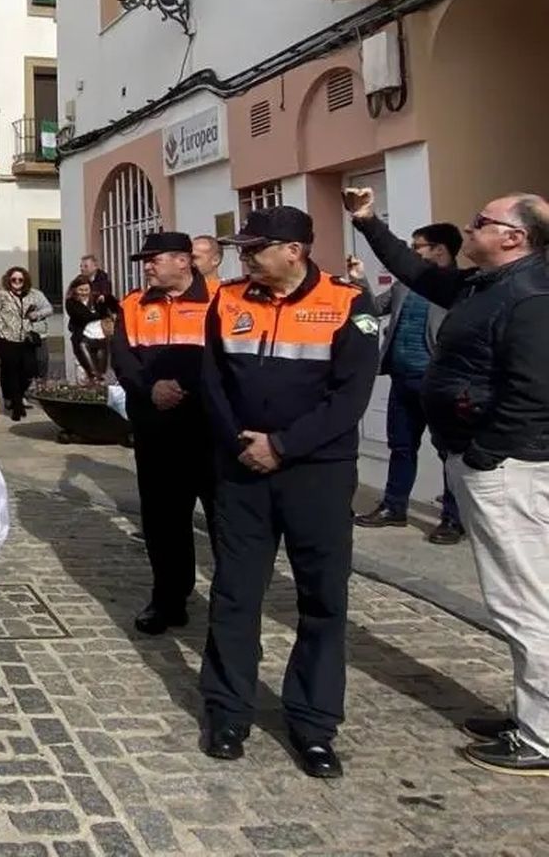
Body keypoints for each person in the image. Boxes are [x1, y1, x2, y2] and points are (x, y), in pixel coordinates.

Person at [345, 188, 549, 776]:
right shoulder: (484, 286)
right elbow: (413, 269)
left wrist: (484, 457)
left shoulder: (531, 297)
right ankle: (530, 713)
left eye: (482, 221)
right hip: (490, 462)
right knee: (516, 597)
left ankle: (541, 735)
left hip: (508, 469)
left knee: (524, 600)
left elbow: (534, 394)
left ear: (514, 237)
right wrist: (366, 222)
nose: (470, 225)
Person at [199, 206, 378, 779]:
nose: (244, 257)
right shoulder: (227, 300)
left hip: (317, 474)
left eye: (255, 248)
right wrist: (240, 442)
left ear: (294, 251)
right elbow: (213, 382)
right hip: (242, 470)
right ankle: (228, 712)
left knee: (322, 600)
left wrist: (282, 445)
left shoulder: (349, 305)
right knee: (234, 593)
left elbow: (350, 400)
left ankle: (314, 723)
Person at [109, 232, 215, 635]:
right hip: (157, 430)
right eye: (145, 260)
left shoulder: (219, 300)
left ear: (184, 261)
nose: (147, 266)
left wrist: (186, 388)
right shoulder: (134, 304)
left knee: (225, 523)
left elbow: (226, 357)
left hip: (207, 430)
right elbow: (123, 358)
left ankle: (233, 612)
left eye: (155, 259)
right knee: (163, 521)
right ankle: (169, 598)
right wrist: (150, 389)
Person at [347, 223, 466, 542]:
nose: (411, 253)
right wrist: (358, 280)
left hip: (439, 384)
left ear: (439, 250)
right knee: (401, 447)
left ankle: (453, 519)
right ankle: (393, 507)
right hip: (402, 381)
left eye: (418, 247)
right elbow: (372, 310)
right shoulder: (405, 285)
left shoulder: (459, 287)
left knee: (449, 453)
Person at [0, 266, 53, 420]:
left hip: (24, 337)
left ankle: (18, 397)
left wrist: (36, 315)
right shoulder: (1, 296)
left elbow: (48, 309)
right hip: (4, 337)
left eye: (20, 280)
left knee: (28, 370)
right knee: (11, 370)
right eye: (13, 279)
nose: (17, 282)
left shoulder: (32, 295)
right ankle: (16, 405)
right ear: (8, 280)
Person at [65, 277, 113, 379]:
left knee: (101, 372)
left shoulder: (96, 299)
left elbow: (105, 313)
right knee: (90, 371)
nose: (84, 293)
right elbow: (82, 317)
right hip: (83, 339)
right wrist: (96, 314)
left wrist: (98, 311)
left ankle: (99, 391)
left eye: (86, 290)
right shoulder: (71, 302)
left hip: (100, 338)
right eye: (80, 290)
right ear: (74, 290)